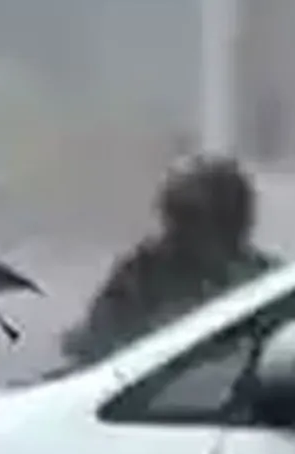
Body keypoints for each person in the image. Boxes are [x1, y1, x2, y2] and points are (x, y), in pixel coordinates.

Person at [62, 155, 278, 367]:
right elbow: (93, 345)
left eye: (189, 217)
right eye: (173, 215)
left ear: (231, 224)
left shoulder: (268, 286)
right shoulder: (142, 274)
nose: (174, 232)